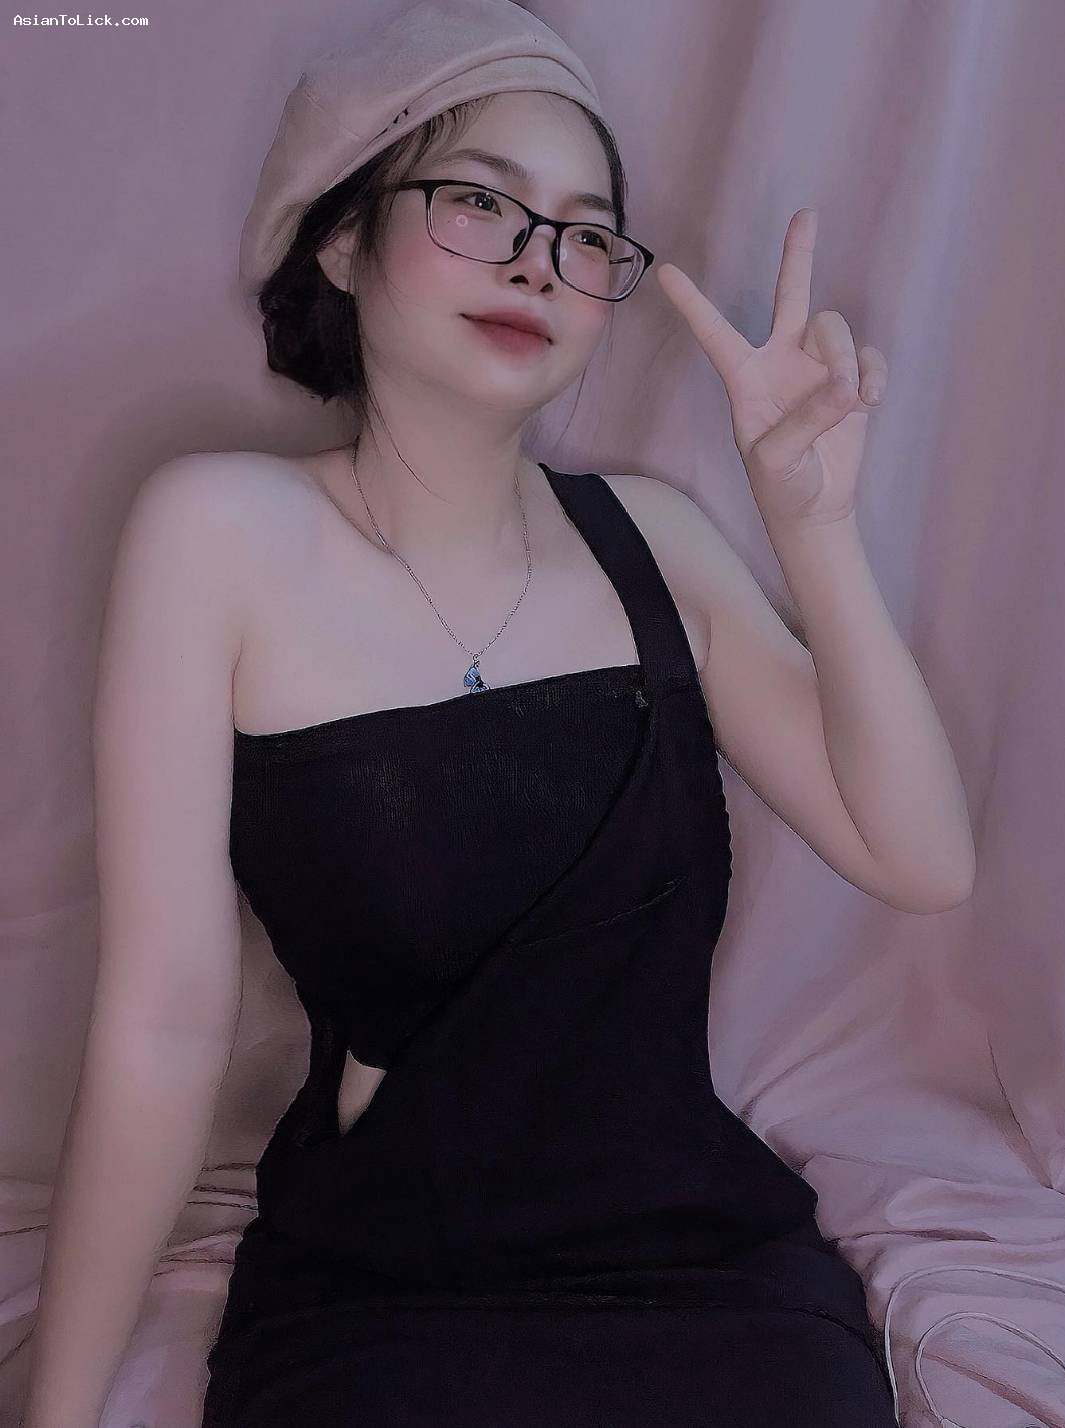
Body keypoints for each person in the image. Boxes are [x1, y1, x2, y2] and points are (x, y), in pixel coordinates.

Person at [24, 3, 901, 1424]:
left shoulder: (655, 540)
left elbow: (917, 856)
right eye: (480, 201)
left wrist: (818, 528)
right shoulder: (215, 534)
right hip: (386, 1282)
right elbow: (166, 1020)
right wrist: (53, 1414)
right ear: (341, 238)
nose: (536, 260)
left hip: (698, 1268)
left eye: (585, 233)